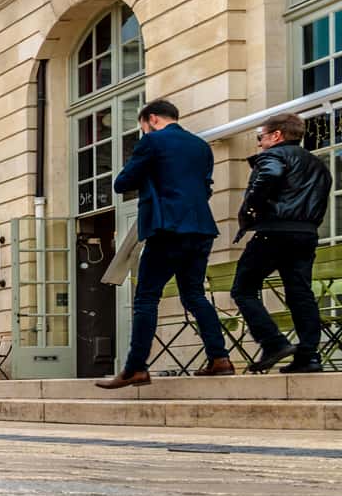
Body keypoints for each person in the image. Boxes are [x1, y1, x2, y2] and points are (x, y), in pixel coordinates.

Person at [97, 100, 233, 389]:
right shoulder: (200, 146)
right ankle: (219, 358)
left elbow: (122, 183)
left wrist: (148, 174)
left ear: (152, 119)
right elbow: (204, 187)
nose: (144, 130)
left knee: (146, 297)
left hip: (166, 228)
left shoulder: (152, 142)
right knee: (194, 294)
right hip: (200, 228)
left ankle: (136, 367)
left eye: (143, 126)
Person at [232, 112, 331, 374]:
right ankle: (309, 356)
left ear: (276, 135)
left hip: (274, 231)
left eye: (260, 137)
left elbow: (269, 176)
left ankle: (273, 342)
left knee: (242, 288)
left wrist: (250, 210)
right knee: (300, 293)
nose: (259, 143)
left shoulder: (273, 156)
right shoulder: (319, 164)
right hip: (306, 234)